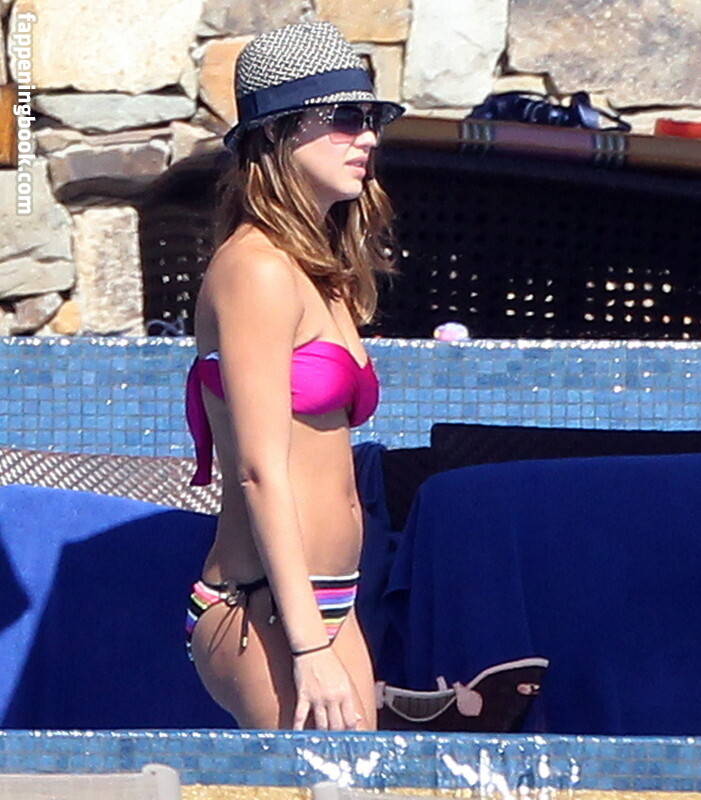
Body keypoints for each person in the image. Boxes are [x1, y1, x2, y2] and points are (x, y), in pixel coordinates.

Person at [182, 21, 405, 731]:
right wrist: (308, 645)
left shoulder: (321, 270)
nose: (367, 137)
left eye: (371, 118)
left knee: (356, 780)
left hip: (328, 603)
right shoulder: (255, 270)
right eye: (344, 117)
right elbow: (258, 472)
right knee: (313, 779)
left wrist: (325, 629)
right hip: (262, 606)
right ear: (277, 134)